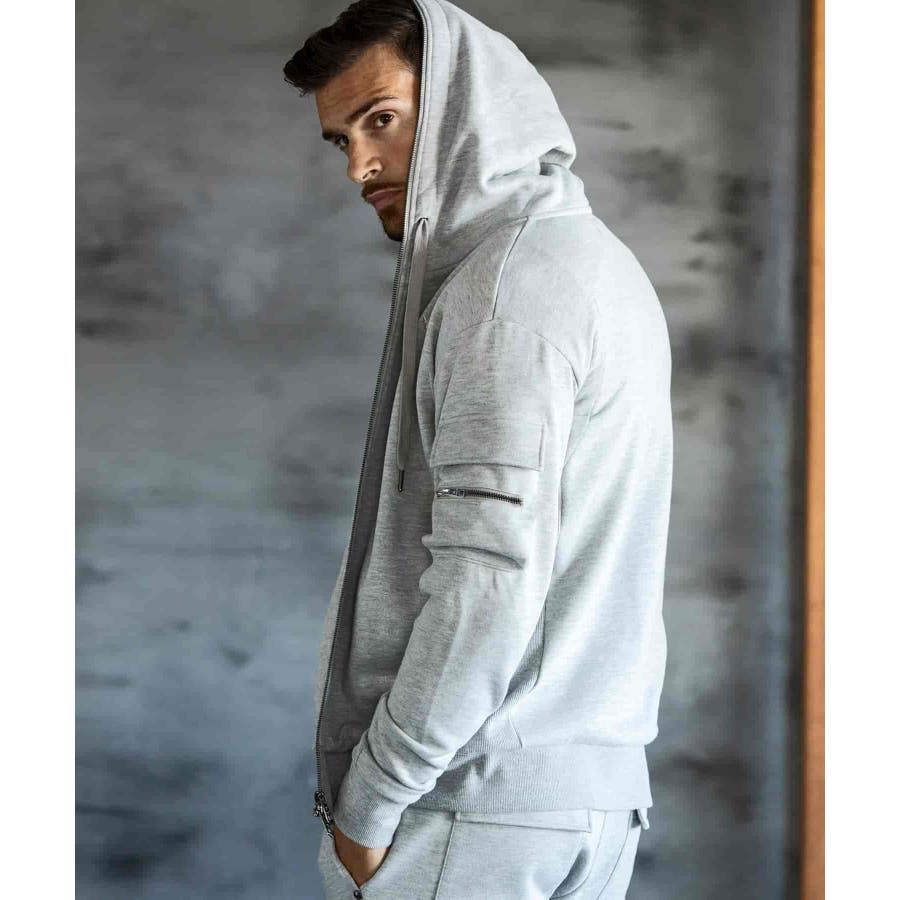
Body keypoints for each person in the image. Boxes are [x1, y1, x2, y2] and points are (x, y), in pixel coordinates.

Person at [283, 1, 673, 897]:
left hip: (476, 809)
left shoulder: (505, 292)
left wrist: (372, 804)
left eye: (381, 119)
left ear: (469, 104)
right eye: (341, 139)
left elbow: (488, 577)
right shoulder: (597, 264)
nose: (358, 166)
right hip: (591, 801)